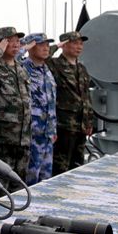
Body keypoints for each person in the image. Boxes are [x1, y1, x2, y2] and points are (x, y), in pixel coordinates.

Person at [0, 27, 31, 190]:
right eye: (10, 41)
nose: (16, 44)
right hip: (1, 139)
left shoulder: (21, 68)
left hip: (23, 138)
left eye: (17, 41)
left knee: (19, 187)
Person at [46, 31, 93, 176]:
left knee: (78, 166)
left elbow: (86, 97)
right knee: (60, 167)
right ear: (65, 45)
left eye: (81, 43)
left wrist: (89, 121)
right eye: (74, 43)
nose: (79, 47)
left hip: (80, 126)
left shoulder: (82, 69)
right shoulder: (55, 64)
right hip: (63, 125)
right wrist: (57, 46)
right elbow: (43, 57)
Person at [20, 33, 57, 185]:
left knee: (46, 177)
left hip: (47, 133)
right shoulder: (22, 67)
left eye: (47, 45)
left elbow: (51, 101)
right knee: (30, 177)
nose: (46, 48)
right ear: (30, 47)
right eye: (41, 45)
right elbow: (5, 61)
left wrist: (53, 129)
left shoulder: (47, 70)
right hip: (32, 132)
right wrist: (23, 49)